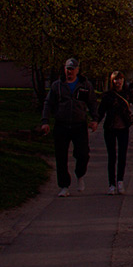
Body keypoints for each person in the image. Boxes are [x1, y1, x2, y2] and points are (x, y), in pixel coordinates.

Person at [38, 58, 98, 197]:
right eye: (67, 69)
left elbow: (93, 103)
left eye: (72, 69)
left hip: (79, 125)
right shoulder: (57, 86)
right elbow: (48, 103)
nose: (69, 72)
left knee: (83, 154)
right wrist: (45, 121)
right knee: (61, 156)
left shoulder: (85, 85)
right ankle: (64, 186)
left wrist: (95, 119)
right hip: (62, 124)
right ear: (64, 69)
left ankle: (80, 174)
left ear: (77, 70)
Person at [96, 70, 133, 194]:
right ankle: (111, 184)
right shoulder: (108, 95)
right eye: (116, 79)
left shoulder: (127, 94)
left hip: (123, 128)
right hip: (110, 129)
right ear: (112, 81)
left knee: (122, 155)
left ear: (123, 80)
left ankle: (120, 181)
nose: (118, 82)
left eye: (120, 79)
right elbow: (101, 112)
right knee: (112, 156)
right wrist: (95, 122)